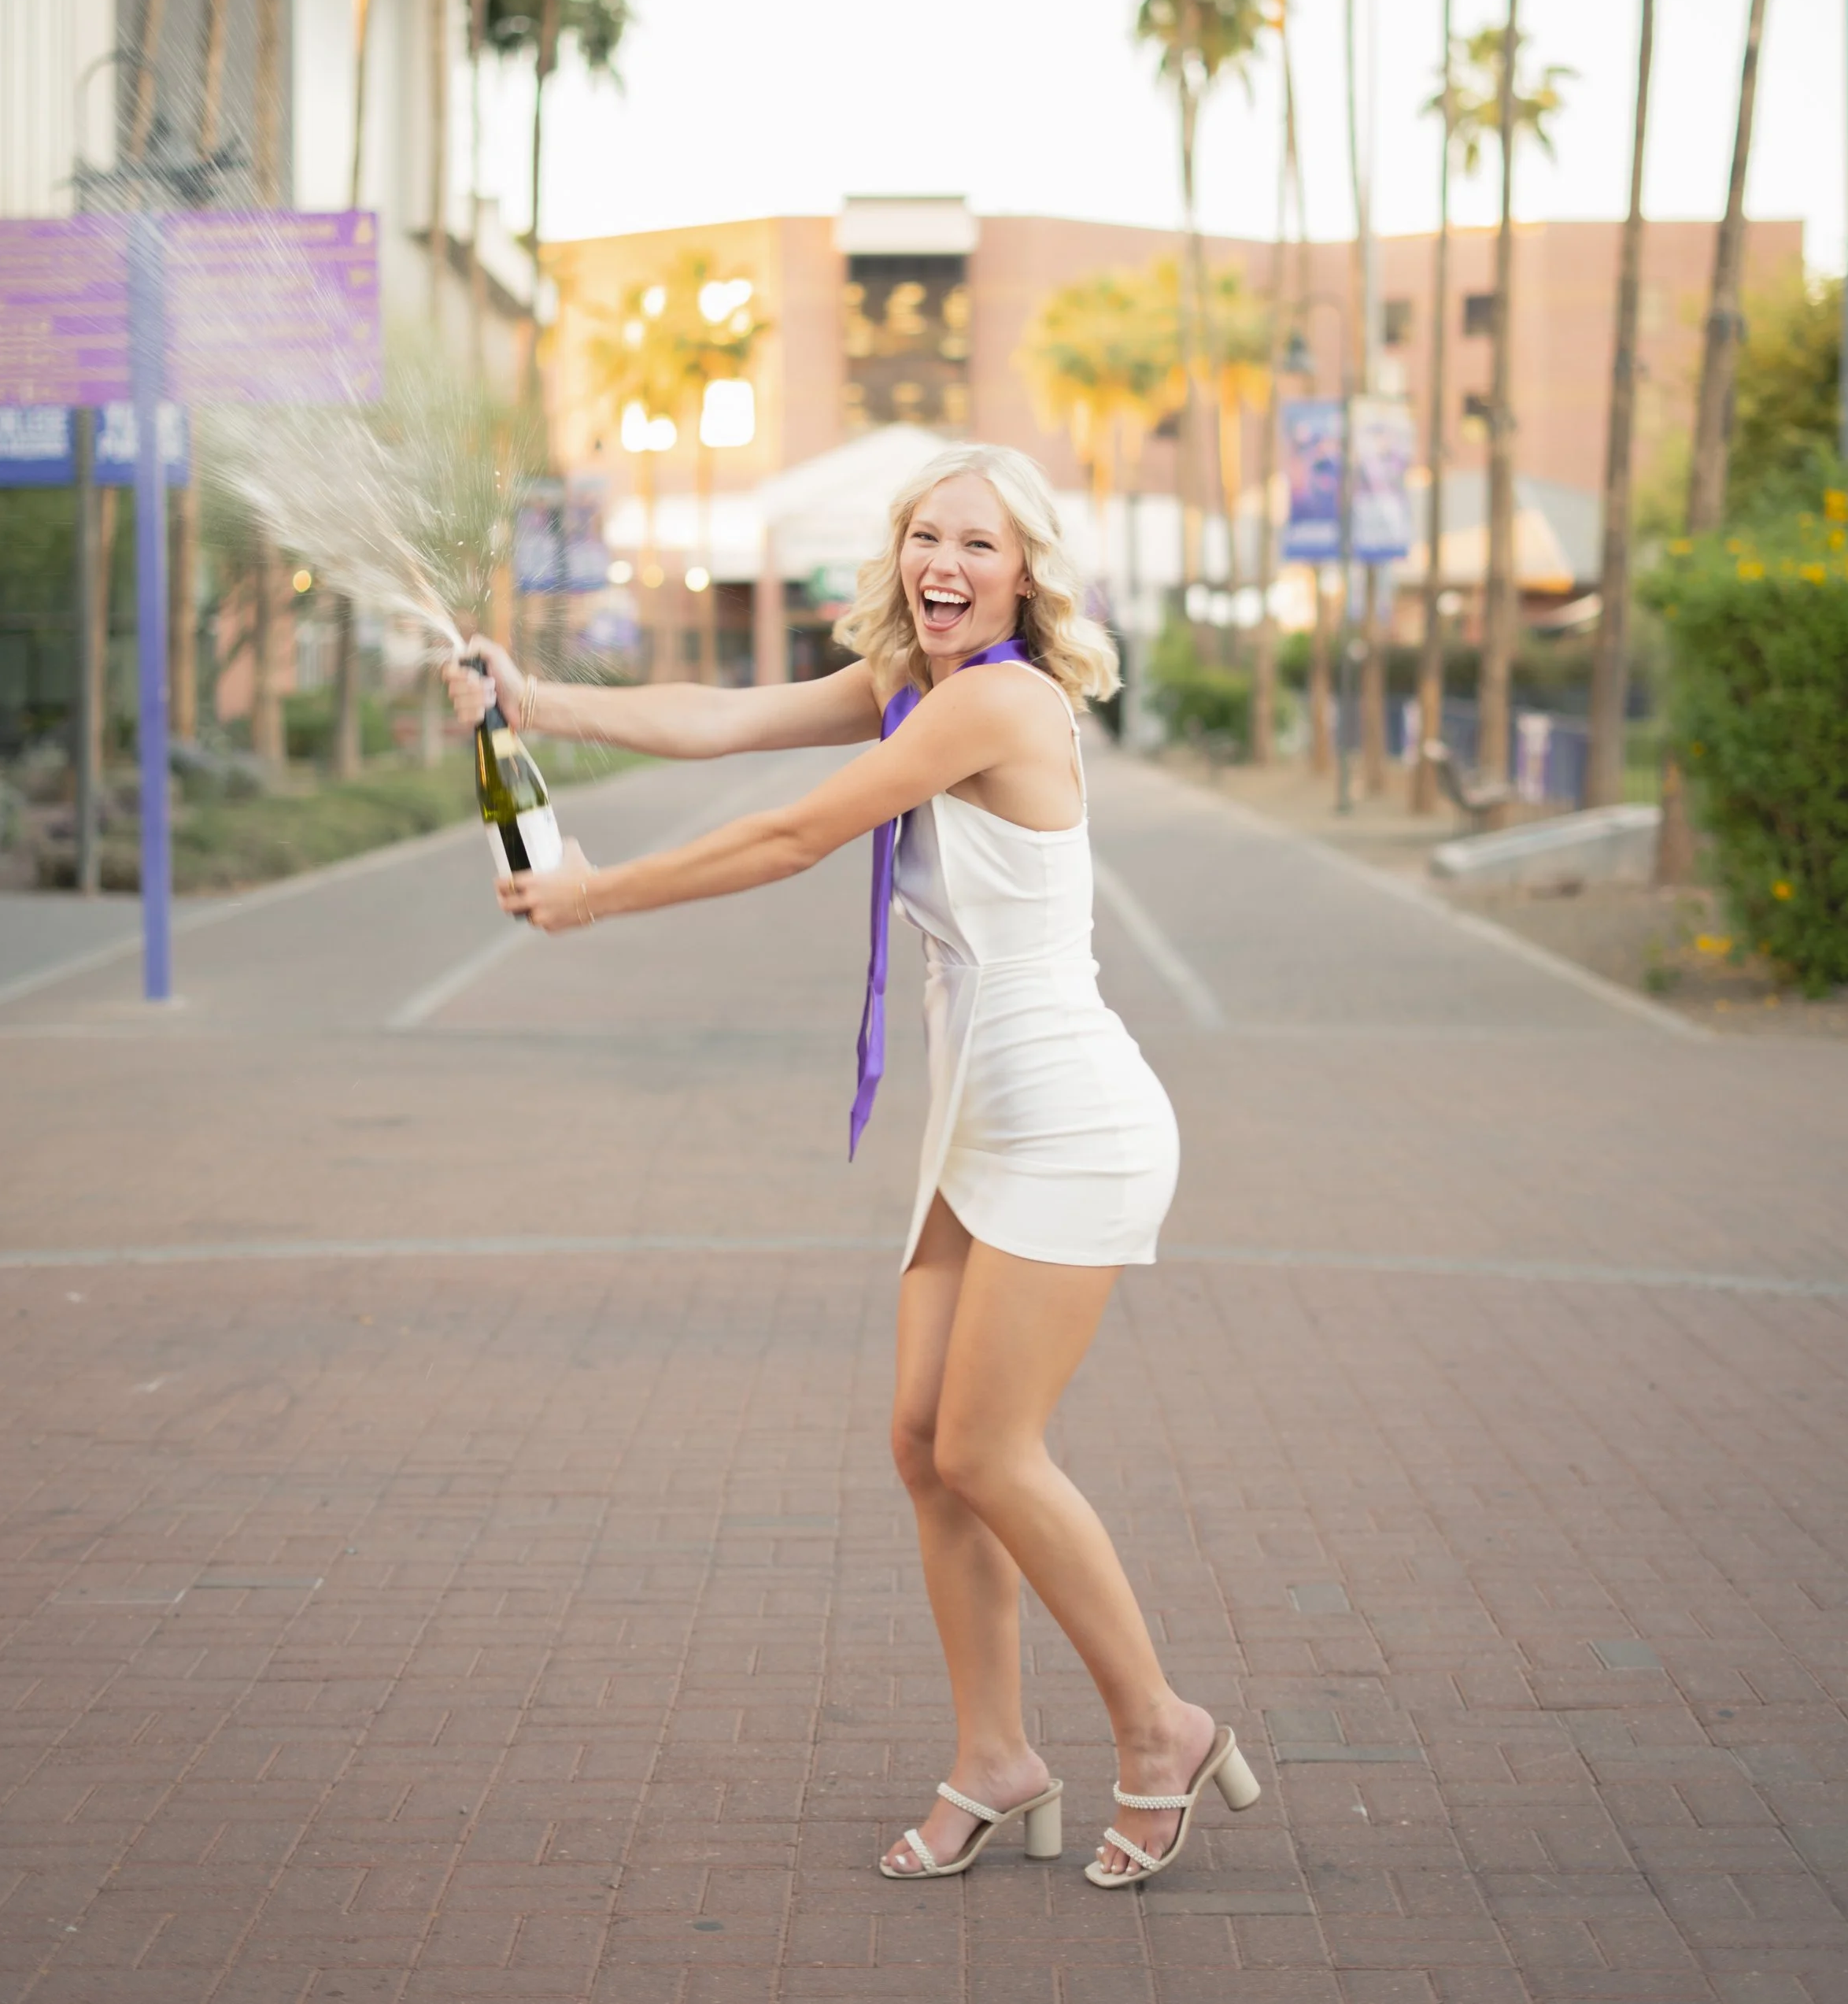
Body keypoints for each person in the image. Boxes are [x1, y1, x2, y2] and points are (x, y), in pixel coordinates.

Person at [445, 442, 1259, 1888]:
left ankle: (1161, 1730)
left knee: (989, 1448)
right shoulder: (910, 687)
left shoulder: (999, 700)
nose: (944, 565)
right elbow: (720, 722)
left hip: (1073, 1122)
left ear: (1025, 576)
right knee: (922, 1446)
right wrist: (535, 700)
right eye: (925, 537)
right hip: (980, 1123)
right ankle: (998, 1759)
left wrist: (597, 896)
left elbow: (794, 831)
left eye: (980, 545)